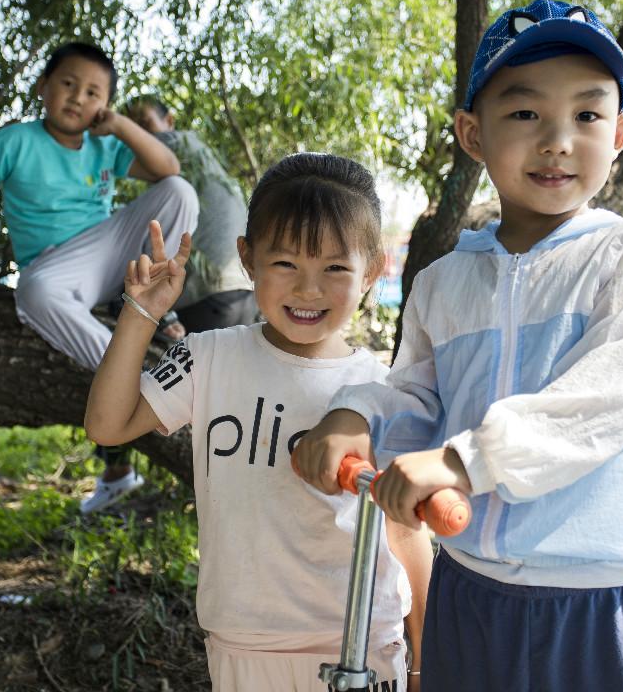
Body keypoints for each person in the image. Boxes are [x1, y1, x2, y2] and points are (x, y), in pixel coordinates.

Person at [292, 0, 623, 691]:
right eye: (526, 114)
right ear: (472, 133)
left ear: (621, 131)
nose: (559, 139)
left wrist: (461, 460)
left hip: (589, 598)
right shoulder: (444, 281)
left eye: (587, 115)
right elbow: (416, 393)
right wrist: (356, 415)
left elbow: (610, 400)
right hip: (467, 588)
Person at [85, 154, 432, 691]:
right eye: (286, 263)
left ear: (374, 270)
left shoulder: (381, 389)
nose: (308, 289)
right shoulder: (207, 358)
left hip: (360, 645)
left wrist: (422, 656)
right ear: (248, 258)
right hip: (243, 645)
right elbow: (108, 426)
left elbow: (405, 530)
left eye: (335, 268)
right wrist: (140, 311)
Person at [0, 42, 199, 513]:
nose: (77, 98)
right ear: (42, 87)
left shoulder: (103, 146)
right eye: (67, 84)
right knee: (34, 291)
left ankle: (147, 303)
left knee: (178, 191)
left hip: (111, 257)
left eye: (92, 92)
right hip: (58, 268)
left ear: (103, 105)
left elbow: (167, 168)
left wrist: (121, 126)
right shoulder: (15, 141)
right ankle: (138, 378)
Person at [81, 97, 259, 514]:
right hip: (236, 289)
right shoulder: (203, 162)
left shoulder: (177, 144)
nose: (141, 131)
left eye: (145, 122)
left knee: (130, 363)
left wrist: (117, 125)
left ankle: (117, 474)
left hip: (210, 292)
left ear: (168, 121)